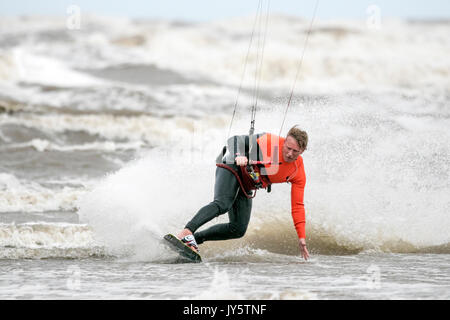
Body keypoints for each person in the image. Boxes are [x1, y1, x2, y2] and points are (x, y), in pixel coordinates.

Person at [177, 126, 310, 260]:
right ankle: (186, 232)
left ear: (302, 151)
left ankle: (192, 240)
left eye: (295, 151)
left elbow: (297, 206)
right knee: (223, 204)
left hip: (246, 183)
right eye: (288, 148)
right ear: (285, 141)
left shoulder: (297, 172)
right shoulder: (270, 141)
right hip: (232, 167)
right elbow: (234, 140)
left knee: (238, 229)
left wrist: (301, 237)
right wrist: (239, 155)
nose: (289, 154)